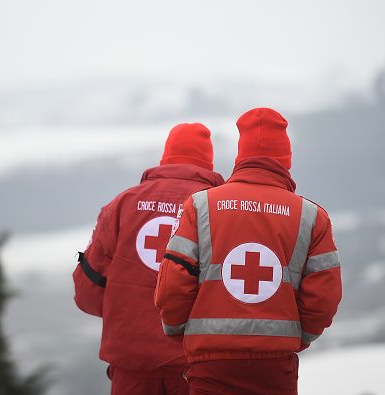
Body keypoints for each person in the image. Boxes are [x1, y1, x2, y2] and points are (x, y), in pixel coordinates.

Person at [154, 108, 342, 395]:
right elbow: (324, 296)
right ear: (286, 159)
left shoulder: (200, 206)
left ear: (240, 155)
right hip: (276, 368)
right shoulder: (312, 216)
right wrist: (297, 337)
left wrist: (179, 329)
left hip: (210, 365)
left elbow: (173, 284)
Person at [73, 123, 225, 395]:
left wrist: (126, 311)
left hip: (131, 363)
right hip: (195, 366)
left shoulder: (122, 204)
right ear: (208, 164)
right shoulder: (218, 209)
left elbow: (88, 292)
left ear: (165, 157)